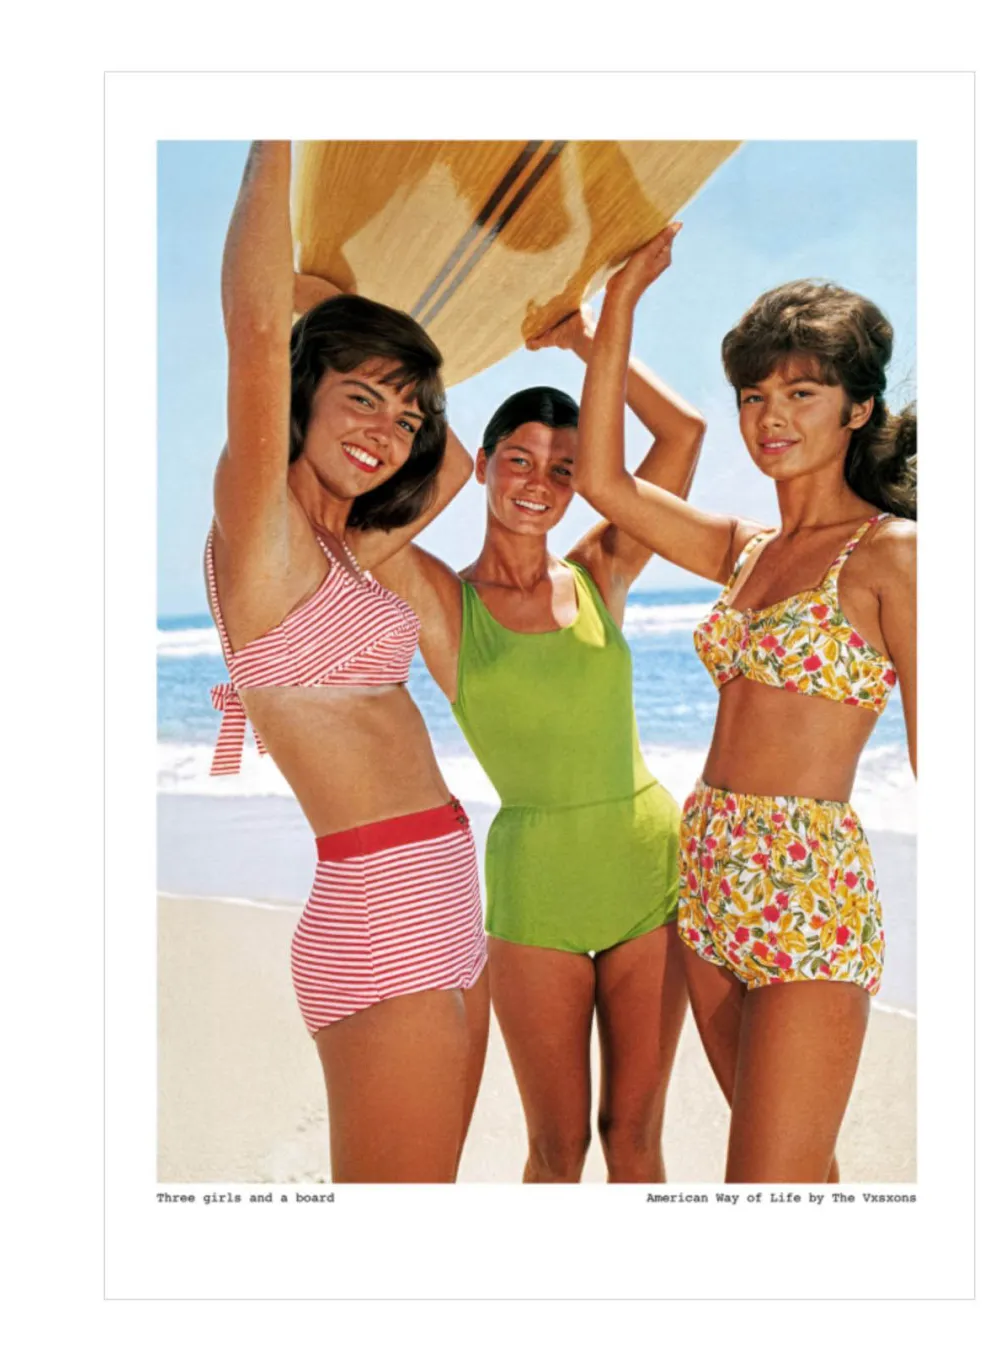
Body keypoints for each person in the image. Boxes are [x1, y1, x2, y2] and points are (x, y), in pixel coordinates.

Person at [574, 239, 917, 1183]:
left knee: (765, 1187)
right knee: (801, 1180)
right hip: (707, 871)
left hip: (808, 889)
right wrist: (611, 317)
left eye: (801, 392)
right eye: (753, 395)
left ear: (858, 407)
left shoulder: (894, 555)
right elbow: (604, 484)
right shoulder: (746, 550)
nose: (770, 417)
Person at [375, 228, 703, 1182]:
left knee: (634, 1141)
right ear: (482, 465)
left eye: (564, 469)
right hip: (535, 889)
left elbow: (682, 438)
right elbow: (373, 515)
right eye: (518, 460)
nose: (540, 485)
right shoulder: (445, 605)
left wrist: (590, 336)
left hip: (648, 864)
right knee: (556, 1151)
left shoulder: (603, 568)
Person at [203, 141, 488, 1183]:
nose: (389, 432)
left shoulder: (342, 550)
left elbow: (455, 463)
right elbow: (252, 332)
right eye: (362, 397)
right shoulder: (262, 535)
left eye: (404, 413)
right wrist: (277, 132)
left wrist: (343, 318)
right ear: (301, 391)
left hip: (449, 890)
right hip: (378, 916)